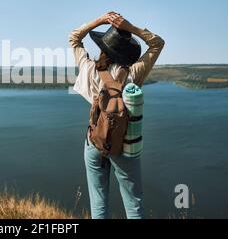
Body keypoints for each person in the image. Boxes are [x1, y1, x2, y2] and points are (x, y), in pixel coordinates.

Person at [69, 11, 165, 219]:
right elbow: (157, 44)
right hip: (124, 146)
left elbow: (74, 38)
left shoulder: (88, 68)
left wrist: (99, 20)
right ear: (127, 53)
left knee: (98, 205)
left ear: (103, 47)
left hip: (94, 143)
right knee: (134, 206)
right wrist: (131, 28)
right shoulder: (132, 74)